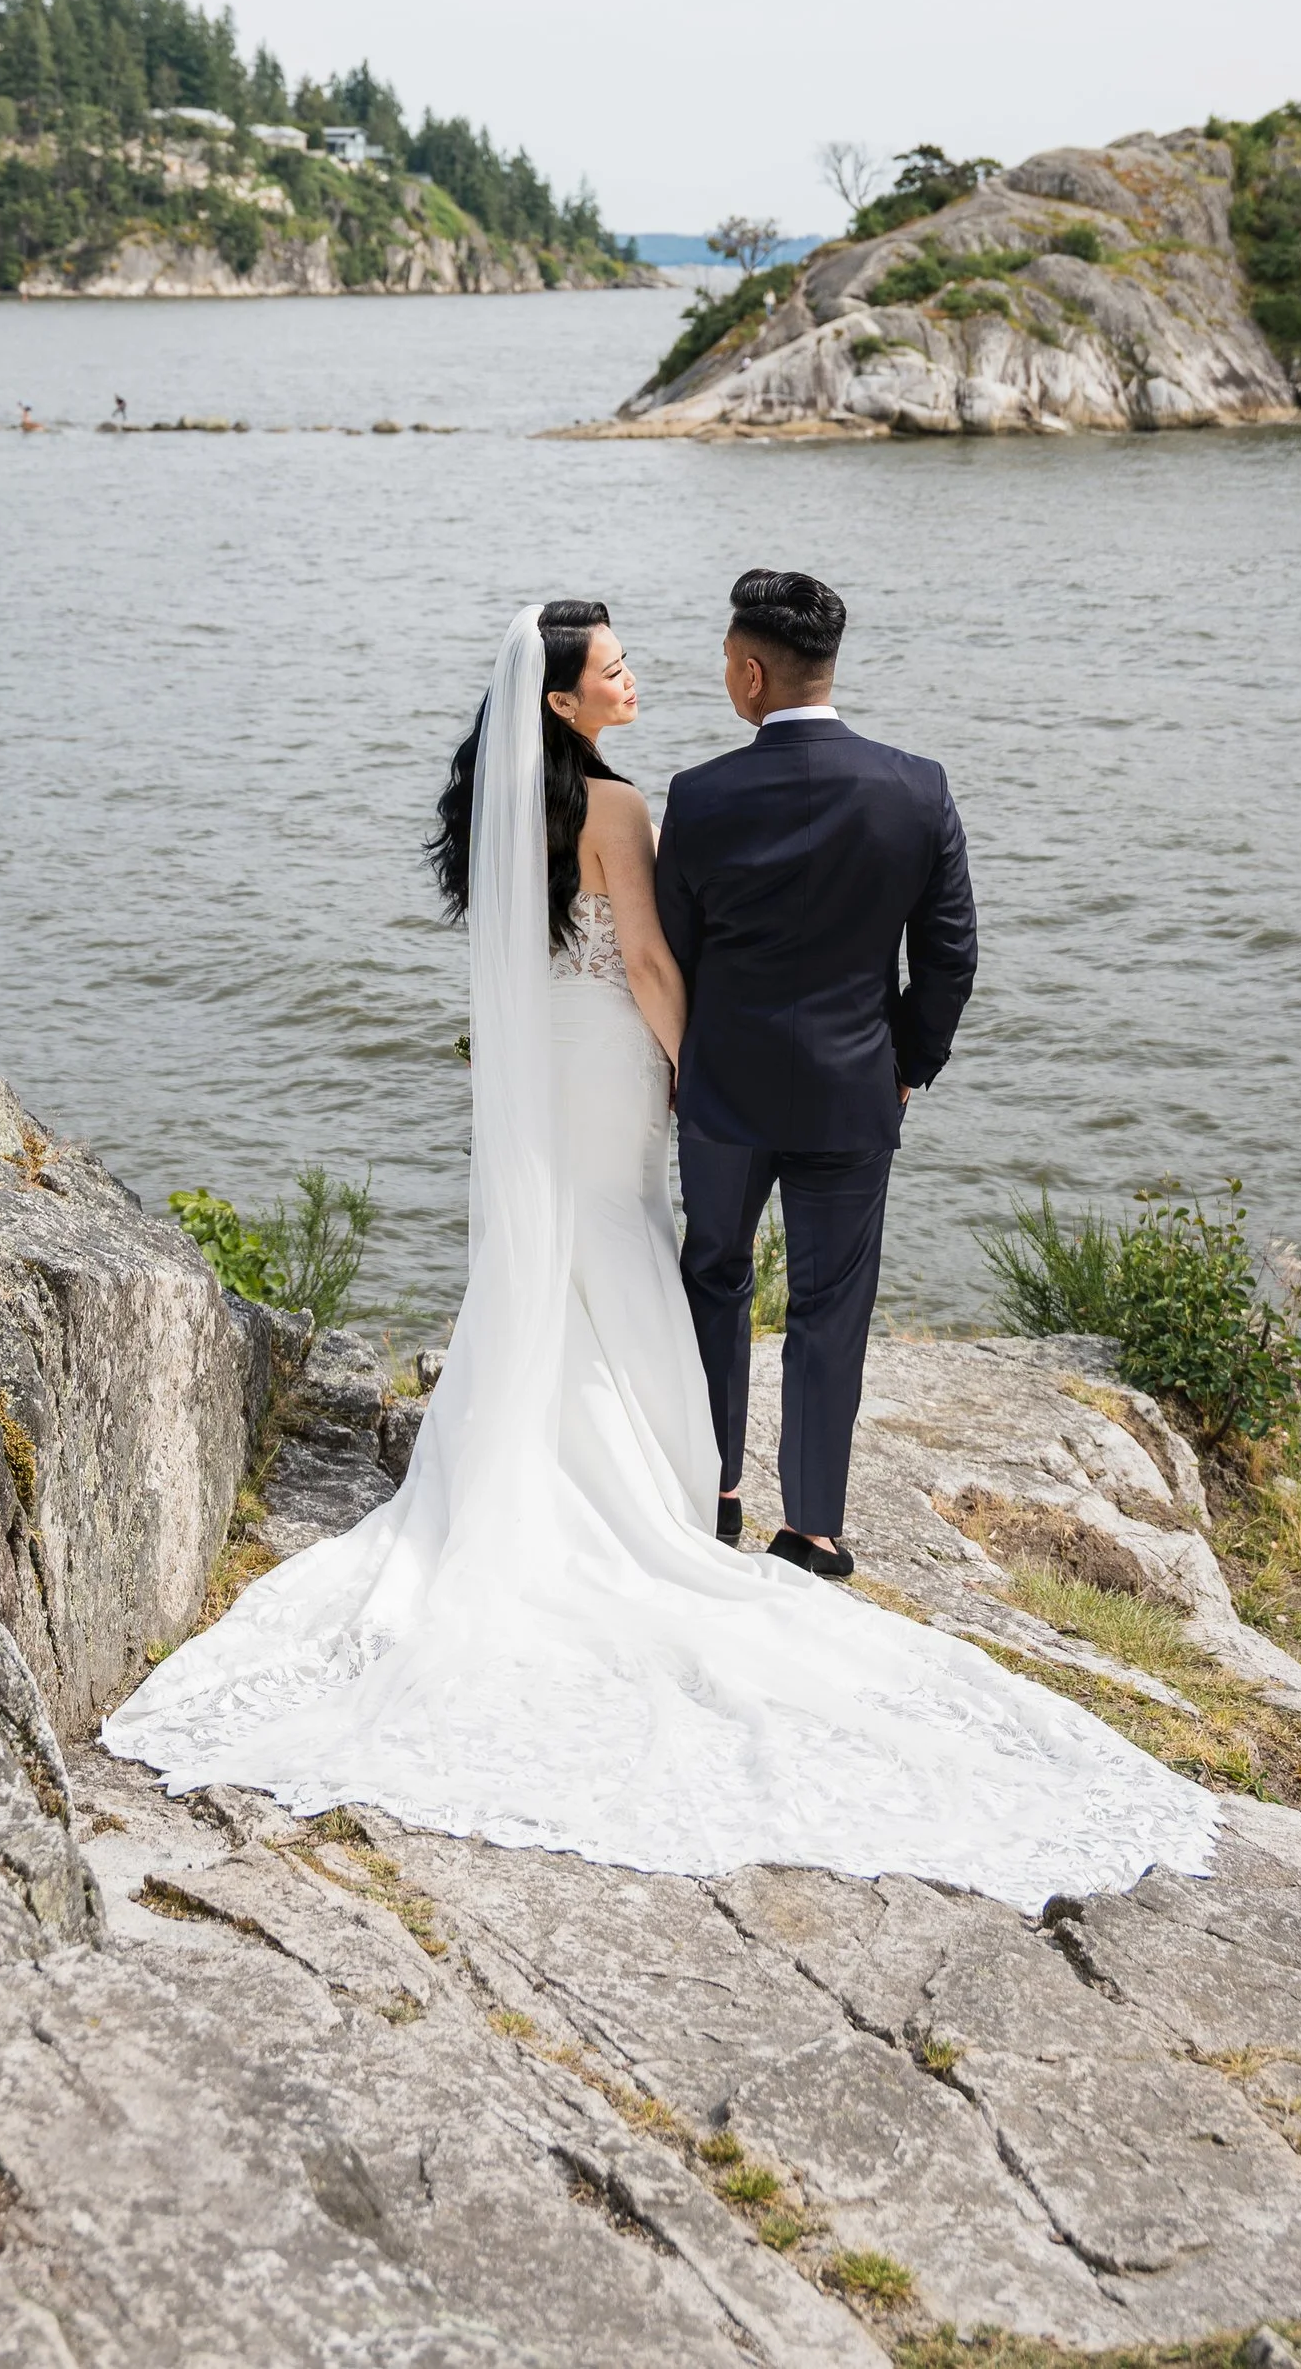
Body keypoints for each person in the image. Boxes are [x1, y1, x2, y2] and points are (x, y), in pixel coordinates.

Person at [101, 596, 1214, 1911]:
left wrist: (718, 1079)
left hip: (575, 1069)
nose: (638, 676)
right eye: (616, 667)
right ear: (565, 701)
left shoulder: (562, 805)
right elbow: (692, 951)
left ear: (751, 670)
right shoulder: (732, 800)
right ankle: (771, 1510)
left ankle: (687, 1486)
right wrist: (776, 1060)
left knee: (657, 1262)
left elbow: (618, 941)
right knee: (731, 1272)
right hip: (718, 1065)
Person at [658, 567, 973, 1579]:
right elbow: (951, 953)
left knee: (713, 1277)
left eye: (723, 662)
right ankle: (814, 1527)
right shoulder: (915, 786)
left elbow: (674, 952)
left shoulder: (701, 795)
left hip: (724, 1093)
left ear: (751, 674)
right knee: (829, 1305)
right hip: (853, 1087)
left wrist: (683, 1064)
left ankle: (711, 1492)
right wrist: (907, 1065)